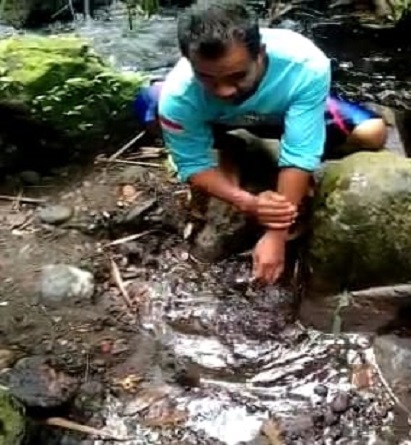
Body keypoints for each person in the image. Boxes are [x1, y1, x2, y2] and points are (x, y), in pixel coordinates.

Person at [131, 2, 387, 284]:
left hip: (281, 114)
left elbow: (300, 152)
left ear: (260, 55)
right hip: (217, 120)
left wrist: (276, 232)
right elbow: (191, 165)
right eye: (206, 77)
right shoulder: (179, 94)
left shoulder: (304, 64)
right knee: (149, 103)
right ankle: (227, 146)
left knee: (372, 133)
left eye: (237, 76)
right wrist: (249, 203)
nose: (224, 90)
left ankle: (251, 151)